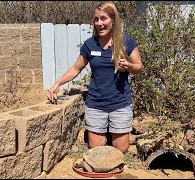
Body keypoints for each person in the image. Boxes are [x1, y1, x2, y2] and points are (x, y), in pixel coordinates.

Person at [46, 1, 143, 153]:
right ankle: (103, 133)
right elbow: (76, 68)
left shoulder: (126, 42)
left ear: (113, 20)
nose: (99, 23)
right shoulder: (90, 44)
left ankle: (114, 132)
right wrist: (57, 83)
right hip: (96, 104)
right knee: (96, 148)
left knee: (122, 149)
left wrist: (129, 66)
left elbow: (139, 67)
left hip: (120, 103)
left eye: (103, 18)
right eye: (96, 19)